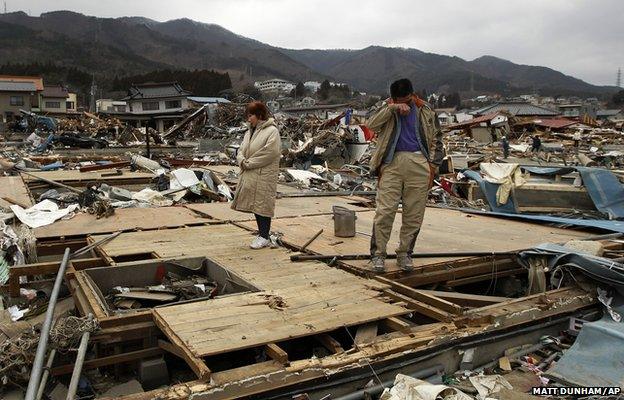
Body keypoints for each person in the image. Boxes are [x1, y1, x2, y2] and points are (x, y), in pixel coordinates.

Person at [366, 78, 444, 272]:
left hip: (419, 162)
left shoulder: (425, 110)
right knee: (385, 211)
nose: (404, 102)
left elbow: (437, 138)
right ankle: (378, 255)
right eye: (398, 99)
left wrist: (432, 165)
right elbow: (371, 124)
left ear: (412, 94)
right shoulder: (386, 107)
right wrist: (392, 107)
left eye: (406, 99)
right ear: (392, 96)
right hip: (391, 163)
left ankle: (405, 253)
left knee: (414, 213)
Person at [231, 101, 281, 249]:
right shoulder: (249, 132)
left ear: (259, 115)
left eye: (251, 115)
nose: (248, 118)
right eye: (248, 115)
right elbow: (240, 150)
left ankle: (264, 236)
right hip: (251, 173)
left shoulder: (272, 131)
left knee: (263, 206)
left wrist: (248, 163)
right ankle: (262, 234)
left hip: (263, 175)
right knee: (256, 205)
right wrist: (241, 160)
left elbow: (270, 153)